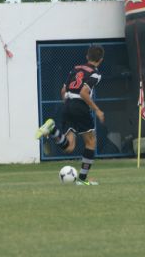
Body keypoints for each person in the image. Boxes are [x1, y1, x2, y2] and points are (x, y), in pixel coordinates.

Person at [35, 45, 105, 186]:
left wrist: (69, 106)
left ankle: (53, 129)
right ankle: (82, 180)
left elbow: (63, 90)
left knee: (69, 146)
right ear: (101, 60)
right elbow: (84, 93)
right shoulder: (95, 74)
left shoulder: (76, 68)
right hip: (79, 106)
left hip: (67, 104)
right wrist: (97, 110)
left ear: (87, 56)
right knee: (90, 142)